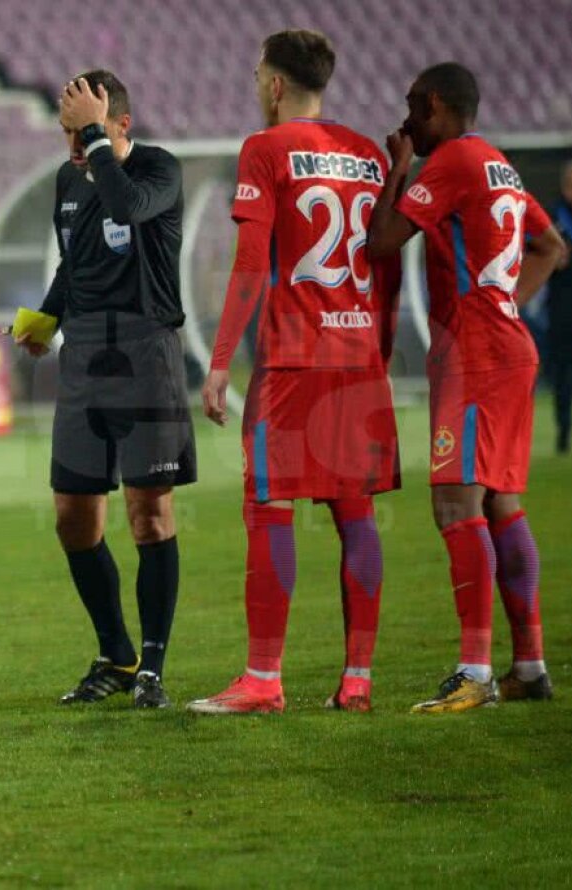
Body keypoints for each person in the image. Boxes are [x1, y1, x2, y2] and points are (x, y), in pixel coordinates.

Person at [186, 31, 401, 716]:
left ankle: (263, 680)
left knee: (268, 507)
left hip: (293, 360)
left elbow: (251, 263)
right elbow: (387, 264)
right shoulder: (369, 155)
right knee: (356, 512)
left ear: (275, 84)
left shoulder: (266, 148)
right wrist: (380, 351)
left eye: (257, 74)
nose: (255, 85)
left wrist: (220, 364)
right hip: (359, 357)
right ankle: (358, 679)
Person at [367, 62, 565, 712]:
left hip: (476, 358)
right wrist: (506, 301)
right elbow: (552, 245)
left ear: (434, 105)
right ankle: (529, 667)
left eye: (410, 112)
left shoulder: (449, 160)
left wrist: (398, 167)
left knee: (457, 504)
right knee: (501, 504)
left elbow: (383, 243)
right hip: (507, 349)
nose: (406, 125)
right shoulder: (497, 163)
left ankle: (475, 671)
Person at [15, 70, 194, 708]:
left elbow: (124, 207)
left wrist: (95, 143)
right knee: (73, 517)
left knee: (150, 515)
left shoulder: (159, 170)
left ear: (121, 124)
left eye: (84, 130)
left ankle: (153, 666)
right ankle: (115, 653)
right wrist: (47, 317)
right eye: (66, 132)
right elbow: (76, 260)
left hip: (147, 351)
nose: (72, 146)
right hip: (86, 355)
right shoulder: (70, 177)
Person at [547, 159, 572, 453]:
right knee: (563, 376)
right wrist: (551, 261)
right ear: (564, 188)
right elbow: (530, 251)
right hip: (561, 309)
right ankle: (564, 435)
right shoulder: (551, 217)